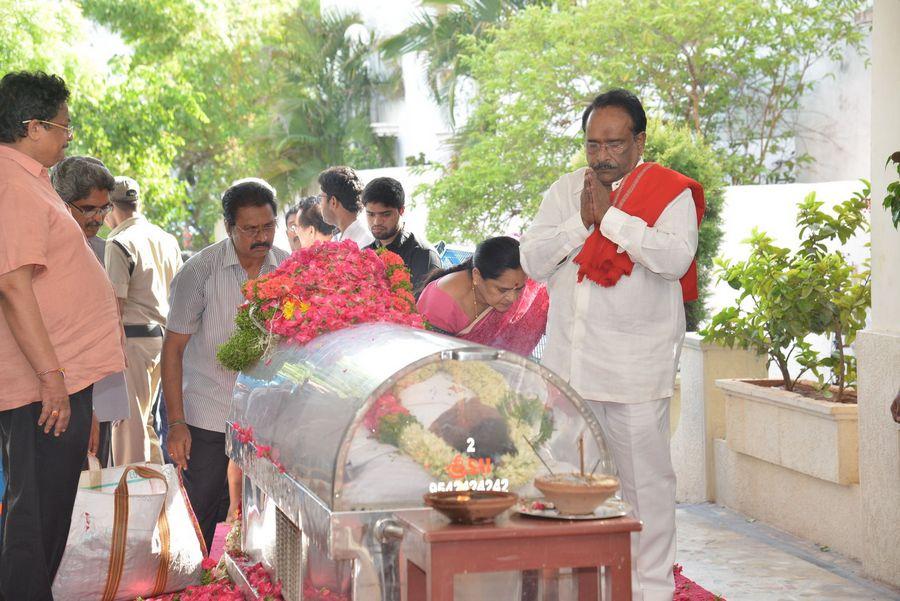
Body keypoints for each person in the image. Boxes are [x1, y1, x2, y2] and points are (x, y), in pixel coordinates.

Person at [520, 89, 704, 601]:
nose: (601, 155)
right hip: (569, 368)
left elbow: (674, 258)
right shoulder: (564, 191)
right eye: (593, 143)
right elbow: (533, 261)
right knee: (570, 488)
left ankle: (650, 591)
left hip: (633, 369)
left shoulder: (670, 195)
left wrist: (613, 220)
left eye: (614, 144)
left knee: (646, 487)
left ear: (639, 141)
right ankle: (586, 588)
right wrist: (581, 222)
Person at [0, 70, 125, 600]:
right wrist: (53, 379)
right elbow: (12, 284)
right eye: (62, 127)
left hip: (57, 380)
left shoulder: (28, 177)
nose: (68, 136)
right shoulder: (10, 182)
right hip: (41, 387)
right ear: (32, 126)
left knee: (49, 514)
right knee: (35, 520)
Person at [162, 178, 289, 551]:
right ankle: (191, 577)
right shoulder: (200, 272)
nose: (260, 237)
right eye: (250, 229)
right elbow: (173, 351)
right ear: (229, 227)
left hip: (266, 416)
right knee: (200, 509)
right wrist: (176, 423)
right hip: (207, 412)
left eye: (268, 227)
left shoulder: (288, 269)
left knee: (263, 514)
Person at [51, 155, 126, 468]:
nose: (98, 217)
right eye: (89, 208)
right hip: (63, 400)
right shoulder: (46, 253)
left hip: (100, 394)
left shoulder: (102, 248)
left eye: (104, 208)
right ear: (61, 202)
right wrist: (86, 408)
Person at [105, 175, 183, 465]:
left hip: (131, 340)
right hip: (164, 339)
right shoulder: (166, 238)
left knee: (128, 425)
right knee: (147, 423)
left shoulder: (119, 242)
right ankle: (155, 495)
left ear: (110, 207)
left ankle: (131, 497)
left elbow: (115, 304)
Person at [416, 236, 548, 356]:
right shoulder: (441, 302)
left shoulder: (522, 283)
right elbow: (429, 358)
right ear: (477, 276)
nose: (512, 298)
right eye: (502, 290)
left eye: (519, 289)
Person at [363, 177, 441, 293]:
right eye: (371, 214)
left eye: (385, 214)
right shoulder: (364, 254)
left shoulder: (423, 256)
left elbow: (423, 308)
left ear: (401, 211)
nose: (377, 222)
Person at [318, 166, 374, 248]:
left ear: (333, 201)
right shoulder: (336, 239)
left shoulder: (366, 244)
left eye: (320, 198)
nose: (319, 204)